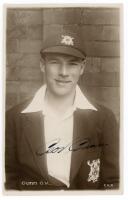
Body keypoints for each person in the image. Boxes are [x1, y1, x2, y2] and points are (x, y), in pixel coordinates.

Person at [5, 29, 119, 190]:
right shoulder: (13, 118)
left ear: (82, 68)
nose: (63, 72)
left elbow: (113, 182)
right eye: (55, 62)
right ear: (42, 65)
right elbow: (7, 180)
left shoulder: (104, 118)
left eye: (72, 64)